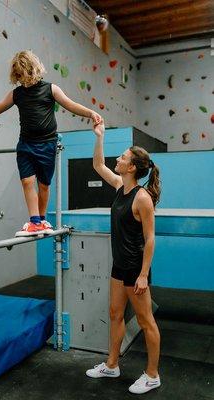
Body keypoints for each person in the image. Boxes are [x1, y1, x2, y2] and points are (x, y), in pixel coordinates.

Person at [0, 50, 102, 236]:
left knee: (44, 185)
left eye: (23, 74)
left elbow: (70, 104)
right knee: (27, 181)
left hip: (47, 143)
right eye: (18, 76)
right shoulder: (17, 94)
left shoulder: (51, 89)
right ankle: (34, 221)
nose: (22, 79)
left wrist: (90, 113)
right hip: (26, 144)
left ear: (33, 70)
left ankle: (41, 220)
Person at [86, 121, 161, 395]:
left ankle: (152, 375)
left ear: (132, 168)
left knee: (145, 321)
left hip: (135, 269)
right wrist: (99, 137)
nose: (117, 160)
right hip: (119, 265)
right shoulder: (120, 186)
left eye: (122, 158)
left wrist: (143, 274)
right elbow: (97, 165)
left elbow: (151, 238)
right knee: (115, 314)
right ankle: (112, 364)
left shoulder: (142, 198)